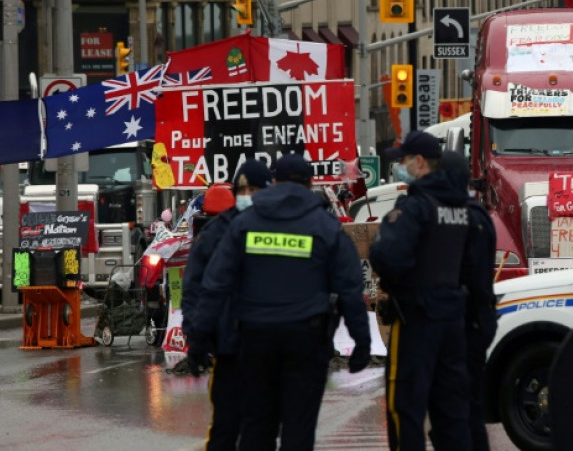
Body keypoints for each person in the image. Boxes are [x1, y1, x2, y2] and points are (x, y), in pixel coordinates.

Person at [189, 154, 371, 451]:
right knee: (298, 429)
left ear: (273, 182)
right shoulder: (324, 225)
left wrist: (198, 339)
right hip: (307, 340)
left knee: (257, 427)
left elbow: (215, 285)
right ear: (310, 182)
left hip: (254, 340)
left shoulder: (245, 223)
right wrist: (361, 342)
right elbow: (350, 288)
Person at [370, 131, 473, 451]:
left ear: (419, 162)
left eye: (402, 160)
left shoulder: (416, 205)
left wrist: (398, 286)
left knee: (405, 406)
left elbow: (386, 256)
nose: (399, 166)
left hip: (417, 317)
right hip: (453, 319)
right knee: (450, 410)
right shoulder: (460, 207)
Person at [181, 160, 271, 451]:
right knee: (225, 427)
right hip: (230, 347)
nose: (249, 194)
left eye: (255, 189)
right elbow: (196, 289)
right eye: (243, 189)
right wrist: (196, 338)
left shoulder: (283, 226)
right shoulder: (215, 232)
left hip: (270, 348)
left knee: (261, 430)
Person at [441, 150, 497, 451]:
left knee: (457, 403)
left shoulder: (457, 218)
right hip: (480, 318)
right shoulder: (479, 215)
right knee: (473, 400)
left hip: (464, 320)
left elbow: (472, 275)